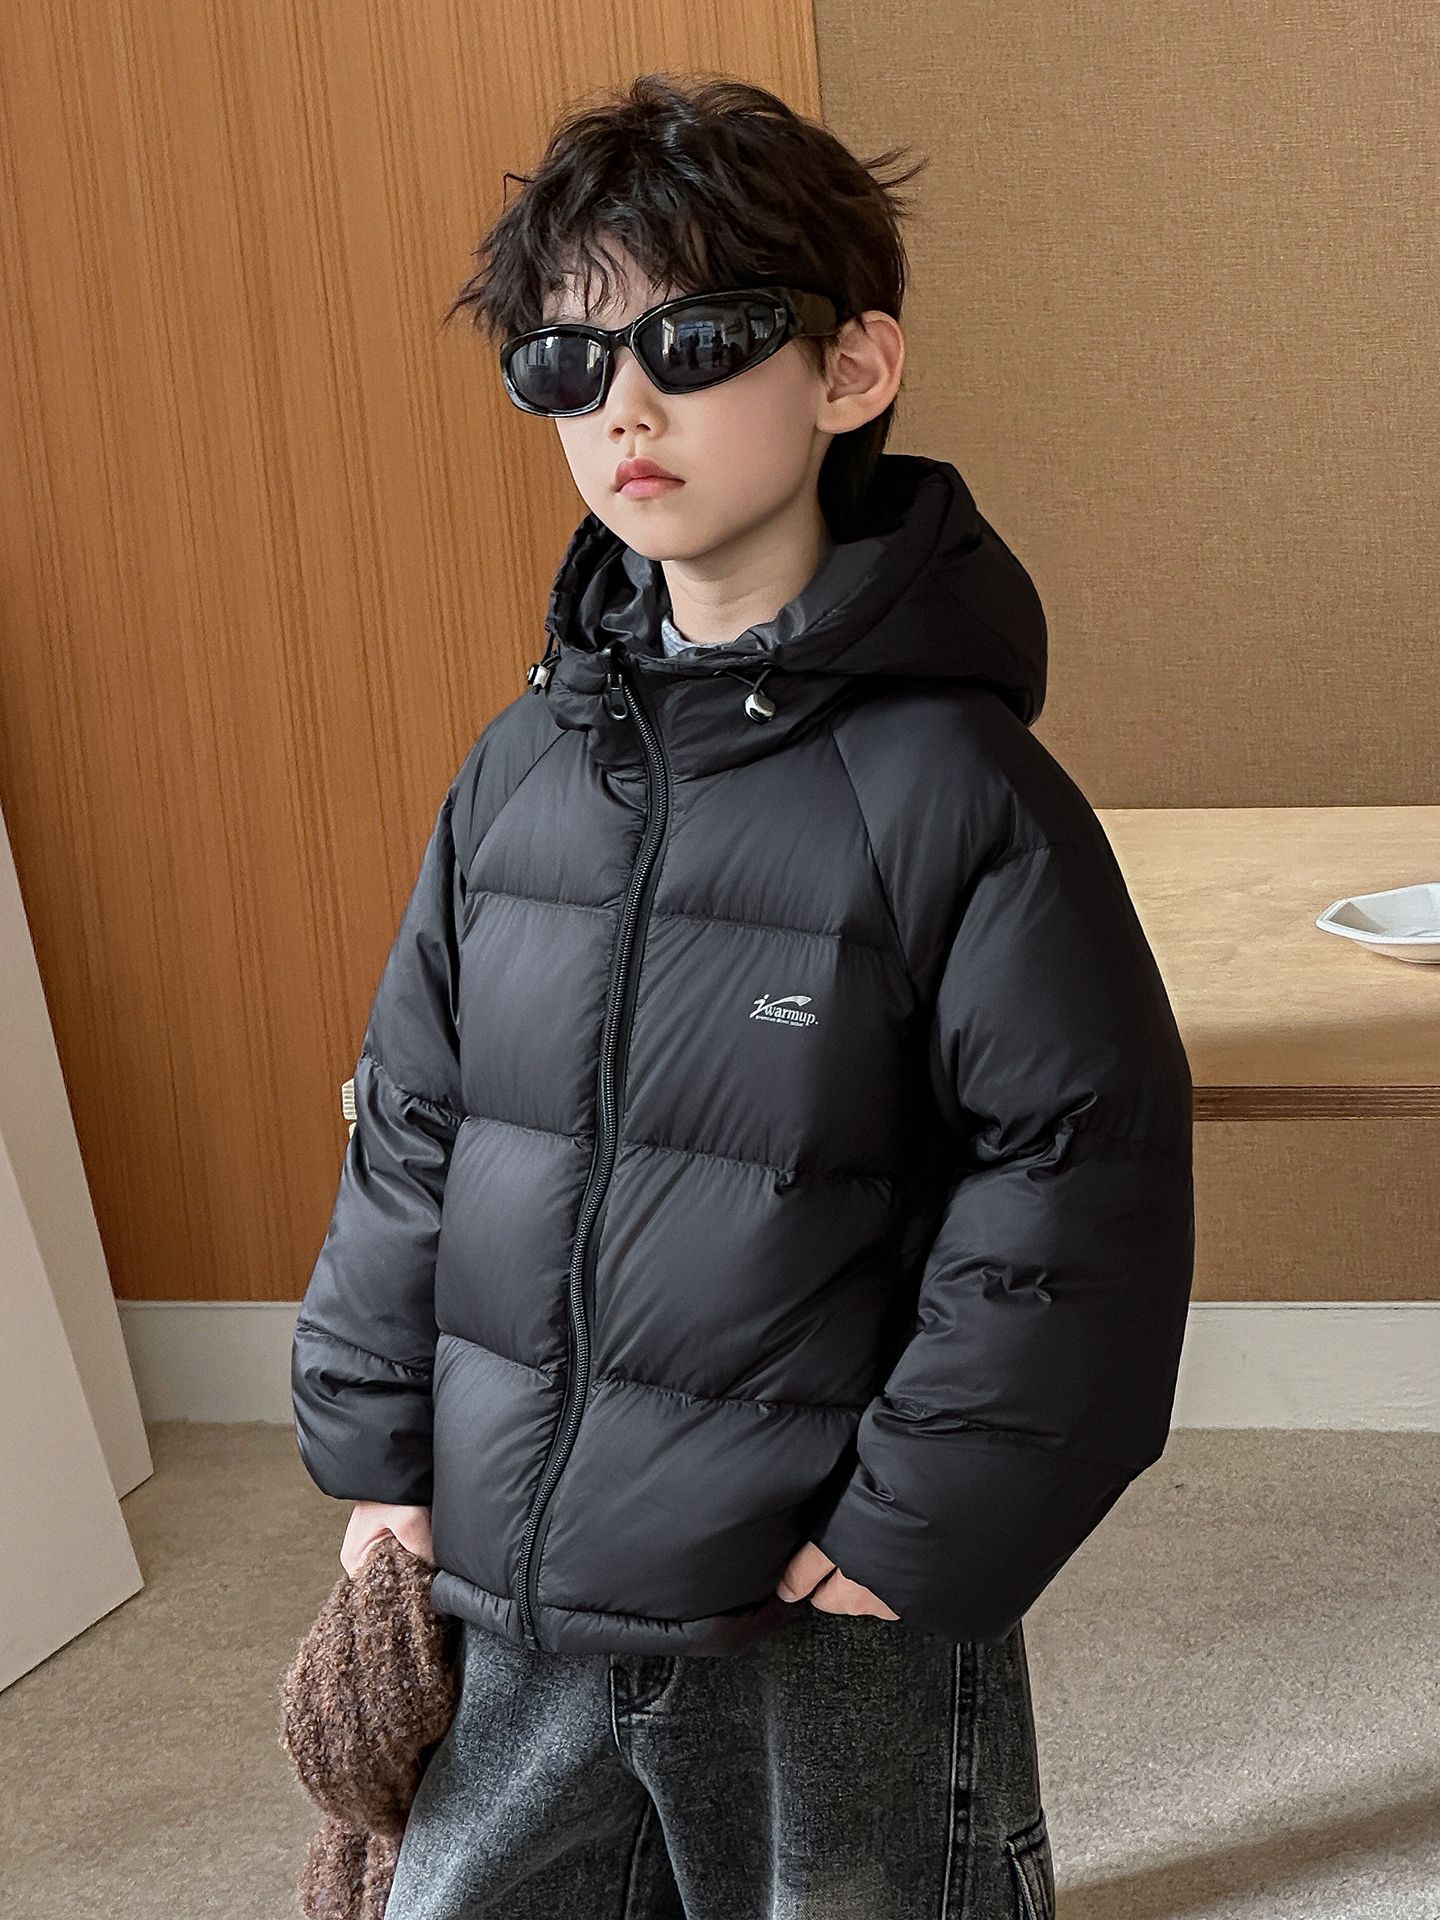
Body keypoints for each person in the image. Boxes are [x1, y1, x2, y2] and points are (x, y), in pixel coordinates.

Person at [291, 71, 1195, 1920]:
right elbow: (415, 1128)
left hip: (818, 1603)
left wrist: (916, 1523)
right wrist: (383, 1461)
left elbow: (1078, 1173)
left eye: (694, 343)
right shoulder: (517, 777)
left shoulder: (959, 791)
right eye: (568, 362)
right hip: (517, 1566)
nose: (625, 406)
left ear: (853, 369)